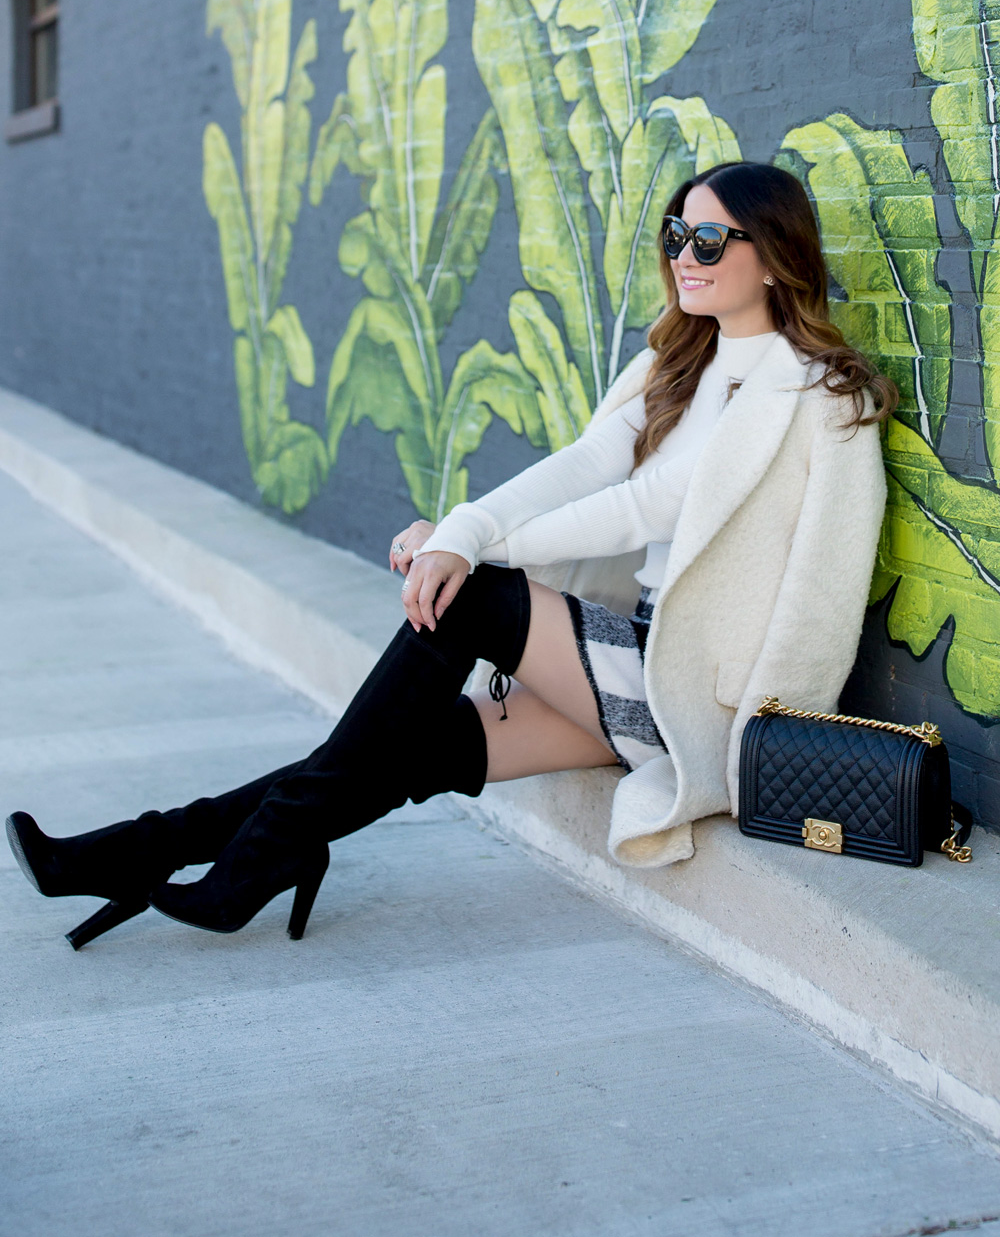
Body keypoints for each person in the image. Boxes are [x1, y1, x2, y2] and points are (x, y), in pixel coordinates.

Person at [6, 162, 896, 947]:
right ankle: (126, 855)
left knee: (472, 598)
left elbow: (665, 516)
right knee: (400, 746)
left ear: (775, 254)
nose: (685, 255)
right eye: (676, 234)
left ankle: (252, 867)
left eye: (710, 237)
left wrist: (463, 546)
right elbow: (584, 465)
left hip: (694, 695)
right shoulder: (675, 362)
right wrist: (463, 530)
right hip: (631, 657)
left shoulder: (820, 396)